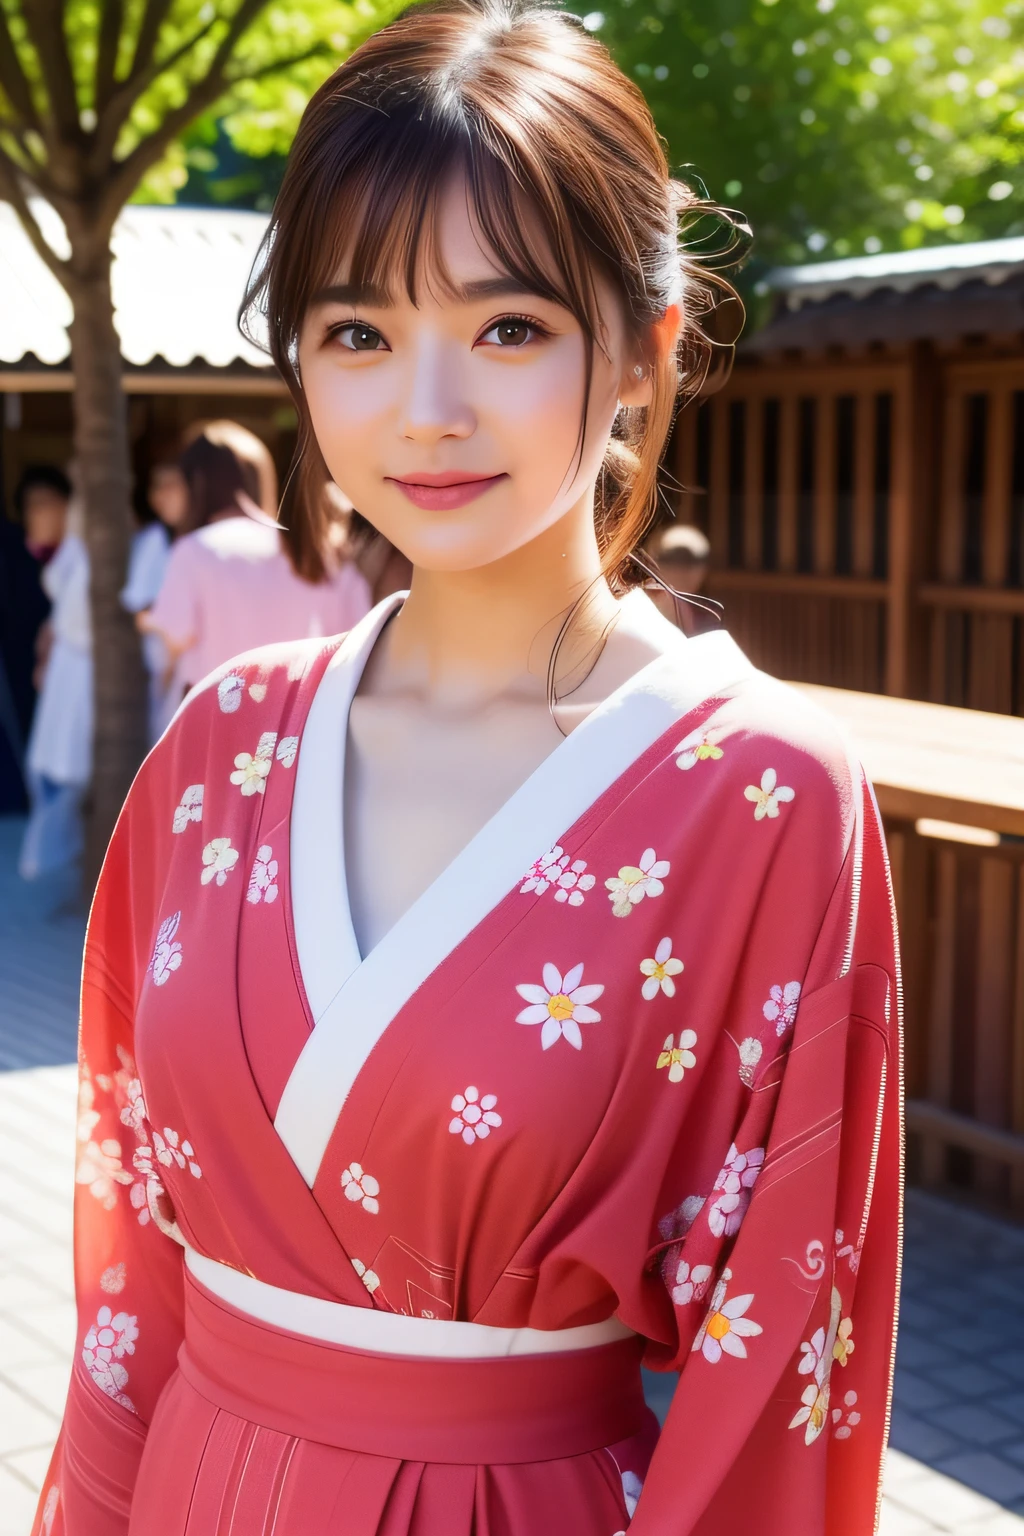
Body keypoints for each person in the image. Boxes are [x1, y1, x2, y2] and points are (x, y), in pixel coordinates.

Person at [33, 5, 901, 1534]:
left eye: (507, 328)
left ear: (642, 353)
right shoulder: (225, 745)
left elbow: (776, 1371)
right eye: (357, 333)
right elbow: (128, 1281)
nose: (424, 410)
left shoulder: (760, 790)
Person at [143, 420, 371, 705]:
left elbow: (173, 639)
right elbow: (357, 639)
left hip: (218, 717)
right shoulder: (313, 552)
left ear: (195, 483)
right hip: (301, 719)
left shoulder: (193, 551)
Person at [18, 486, 92, 879]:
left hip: (80, 680)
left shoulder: (87, 550)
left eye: (42, 504)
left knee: (72, 772)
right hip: (66, 676)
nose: (32, 514)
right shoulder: (71, 554)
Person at [121, 458, 189, 743]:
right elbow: (140, 610)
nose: (159, 495)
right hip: (166, 674)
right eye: (156, 487)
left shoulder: (197, 537)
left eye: (169, 485)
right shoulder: (154, 539)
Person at [644, 523, 714, 637]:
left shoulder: (710, 617)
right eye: (671, 560)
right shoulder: (641, 609)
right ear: (653, 564)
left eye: (690, 562)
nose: (681, 571)